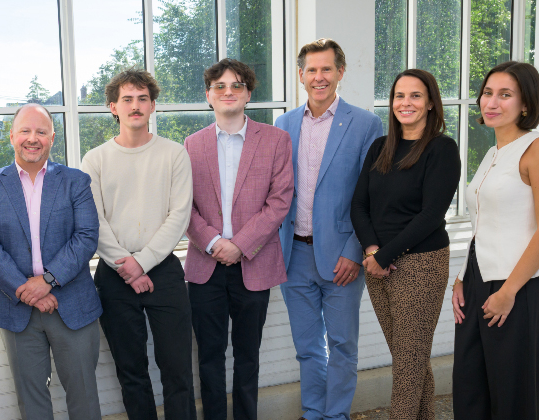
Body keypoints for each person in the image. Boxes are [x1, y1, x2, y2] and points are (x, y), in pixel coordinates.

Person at [274, 38, 383, 420]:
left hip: (342, 256)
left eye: (327, 69)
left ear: (340, 72)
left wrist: (355, 251)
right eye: (311, 70)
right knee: (306, 346)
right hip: (294, 254)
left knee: (341, 345)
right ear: (301, 75)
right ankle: (312, 413)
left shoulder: (366, 124)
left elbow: (372, 195)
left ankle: (336, 415)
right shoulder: (284, 123)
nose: (319, 77)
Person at [0, 104, 103, 419]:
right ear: (12, 136)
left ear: (52, 138)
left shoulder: (76, 181)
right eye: (25, 131)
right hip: (17, 309)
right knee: (31, 400)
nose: (33, 139)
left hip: (71, 304)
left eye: (41, 132)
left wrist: (46, 282)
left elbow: (86, 237)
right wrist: (24, 289)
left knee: (84, 395)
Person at [81, 68, 196, 420]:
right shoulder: (95, 159)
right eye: (126, 99)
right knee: (131, 372)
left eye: (142, 98)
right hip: (114, 275)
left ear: (153, 106)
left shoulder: (174, 154)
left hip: (163, 270)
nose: (135, 105)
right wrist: (127, 266)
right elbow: (93, 221)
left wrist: (142, 263)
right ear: (113, 107)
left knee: (177, 369)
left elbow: (179, 215)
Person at [183, 58, 293, 420]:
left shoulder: (276, 140)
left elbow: (279, 203)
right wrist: (215, 243)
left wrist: (239, 245)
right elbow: (184, 207)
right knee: (210, 356)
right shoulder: (191, 145)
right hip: (205, 267)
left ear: (248, 94)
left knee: (248, 355)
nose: (228, 92)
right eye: (220, 86)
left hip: (254, 263)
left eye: (237, 85)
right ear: (208, 96)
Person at [350, 69, 460, 419]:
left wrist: (383, 255)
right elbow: (359, 205)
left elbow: (430, 215)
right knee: (409, 358)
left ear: (430, 103)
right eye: (399, 96)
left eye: (415, 95)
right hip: (377, 264)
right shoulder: (380, 147)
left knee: (407, 365)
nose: (406, 103)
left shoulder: (442, 148)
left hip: (421, 264)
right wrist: (371, 252)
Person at [451, 61, 539, 420]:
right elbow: (485, 224)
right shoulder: (493, 154)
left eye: (505, 95)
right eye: (487, 93)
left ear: (525, 103)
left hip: (519, 288)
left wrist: (509, 291)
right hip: (478, 284)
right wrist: (463, 278)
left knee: (512, 400)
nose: (491, 102)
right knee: (469, 391)